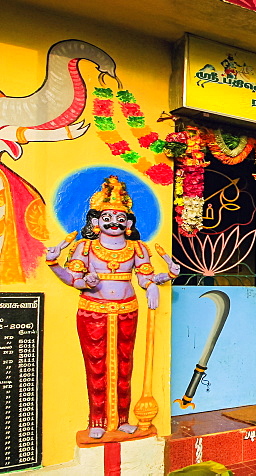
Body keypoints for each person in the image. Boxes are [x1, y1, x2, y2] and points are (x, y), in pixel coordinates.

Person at [45, 175, 178, 440]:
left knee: (125, 366)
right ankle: (97, 419)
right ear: (95, 222)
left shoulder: (138, 248)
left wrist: (165, 277)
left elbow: (145, 278)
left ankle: (123, 419)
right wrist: (57, 265)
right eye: (107, 218)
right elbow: (74, 279)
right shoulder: (85, 247)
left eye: (120, 218)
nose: (114, 223)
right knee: (96, 366)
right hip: (93, 310)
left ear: (128, 223)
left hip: (128, 310)